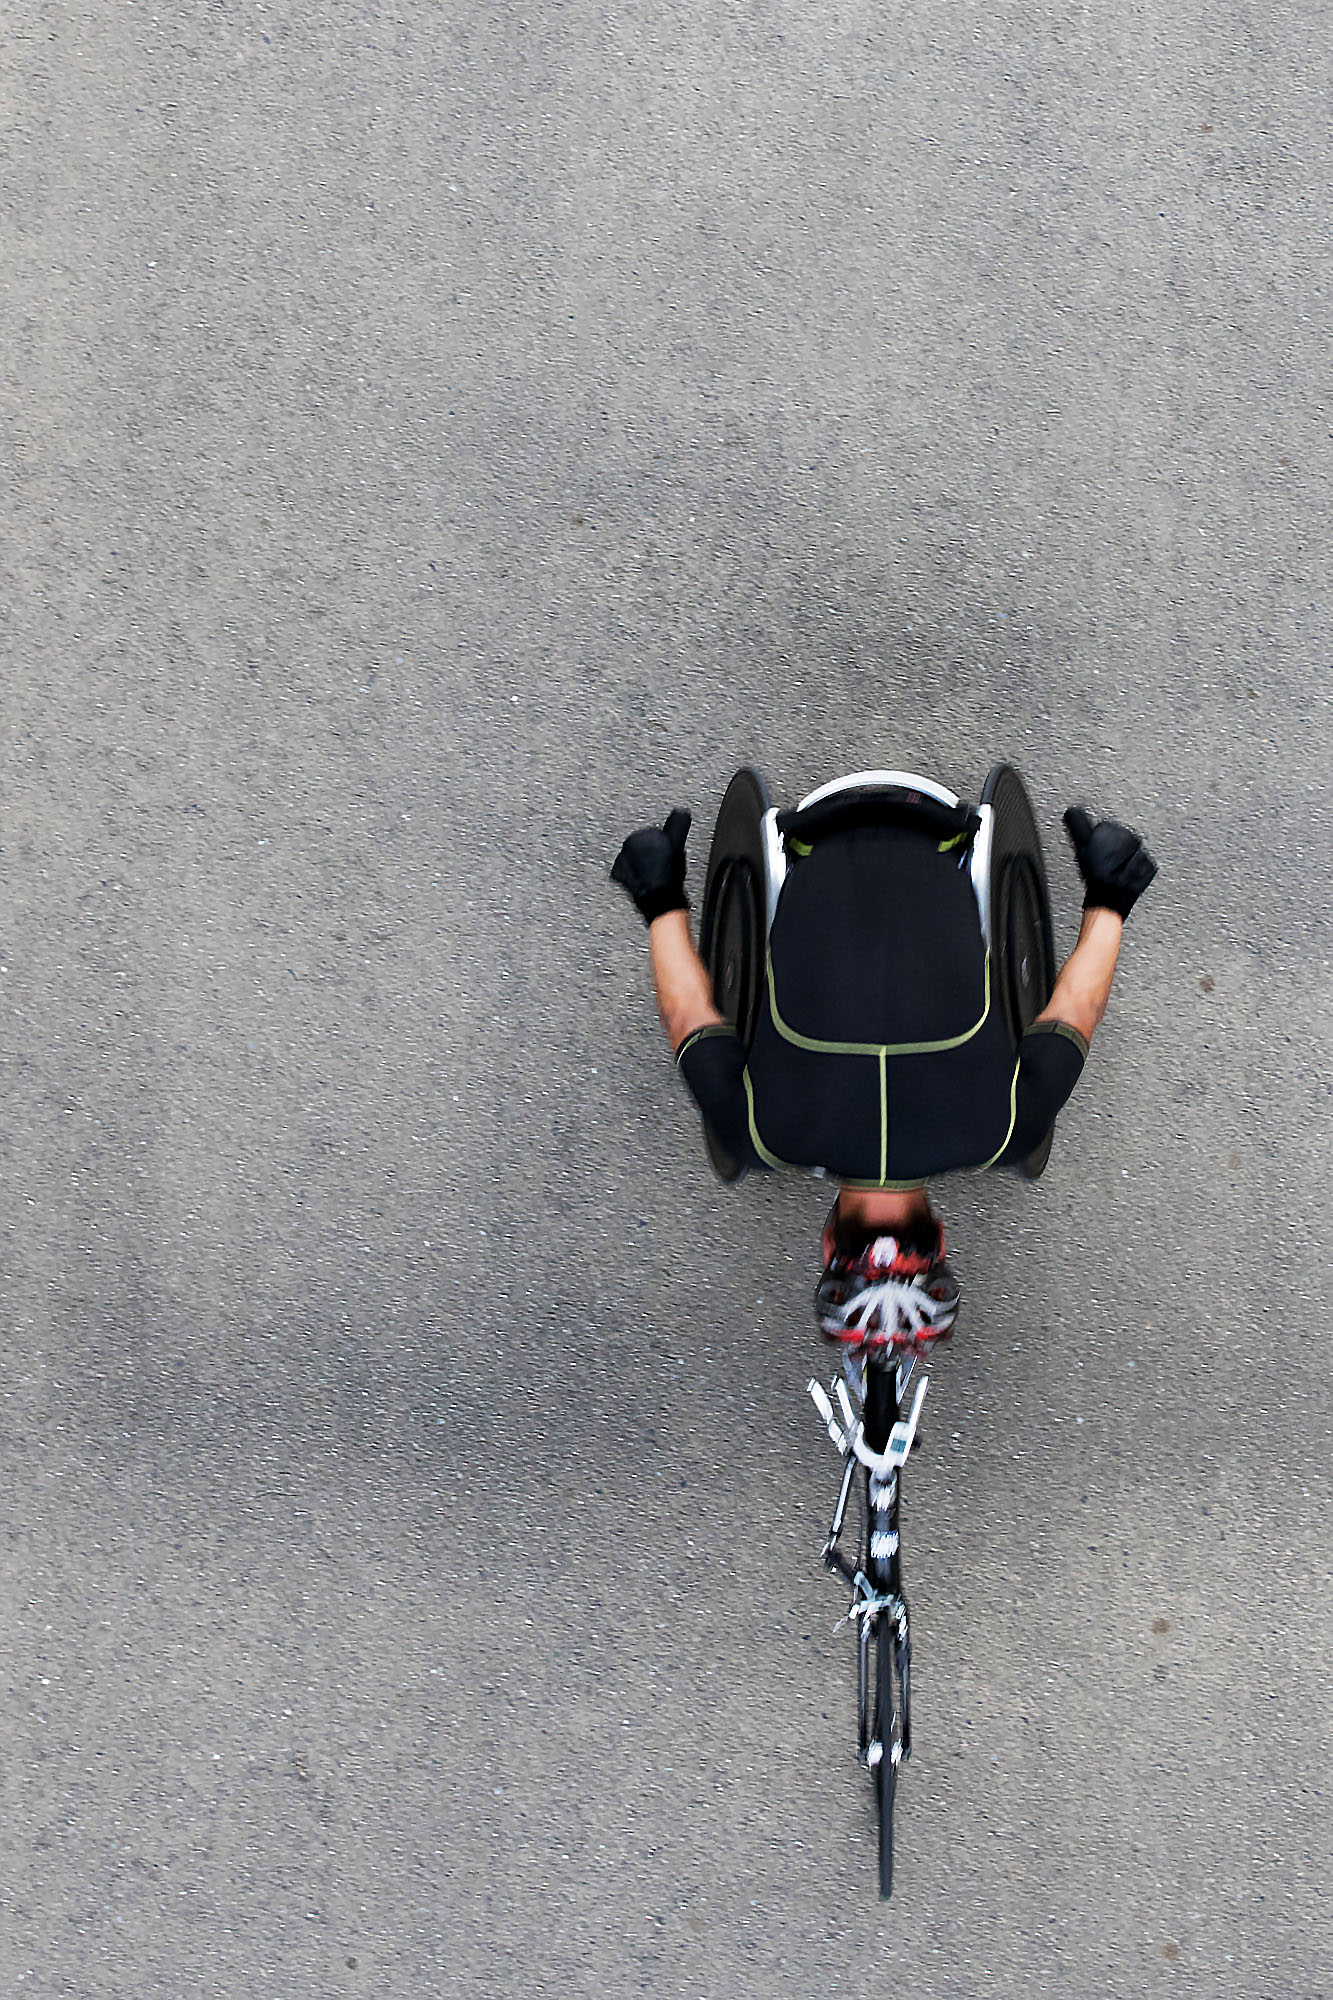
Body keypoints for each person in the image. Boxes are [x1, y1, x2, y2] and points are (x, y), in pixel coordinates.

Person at [611, 788, 1157, 1349]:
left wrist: (1110, 895)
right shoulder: (753, 1137)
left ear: (941, 1237)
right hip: (815, 840)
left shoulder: (1010, 1136)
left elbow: (1076, 1011)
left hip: (941, 837)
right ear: (827, 1245)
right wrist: (660, 896)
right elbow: (686, 1014)